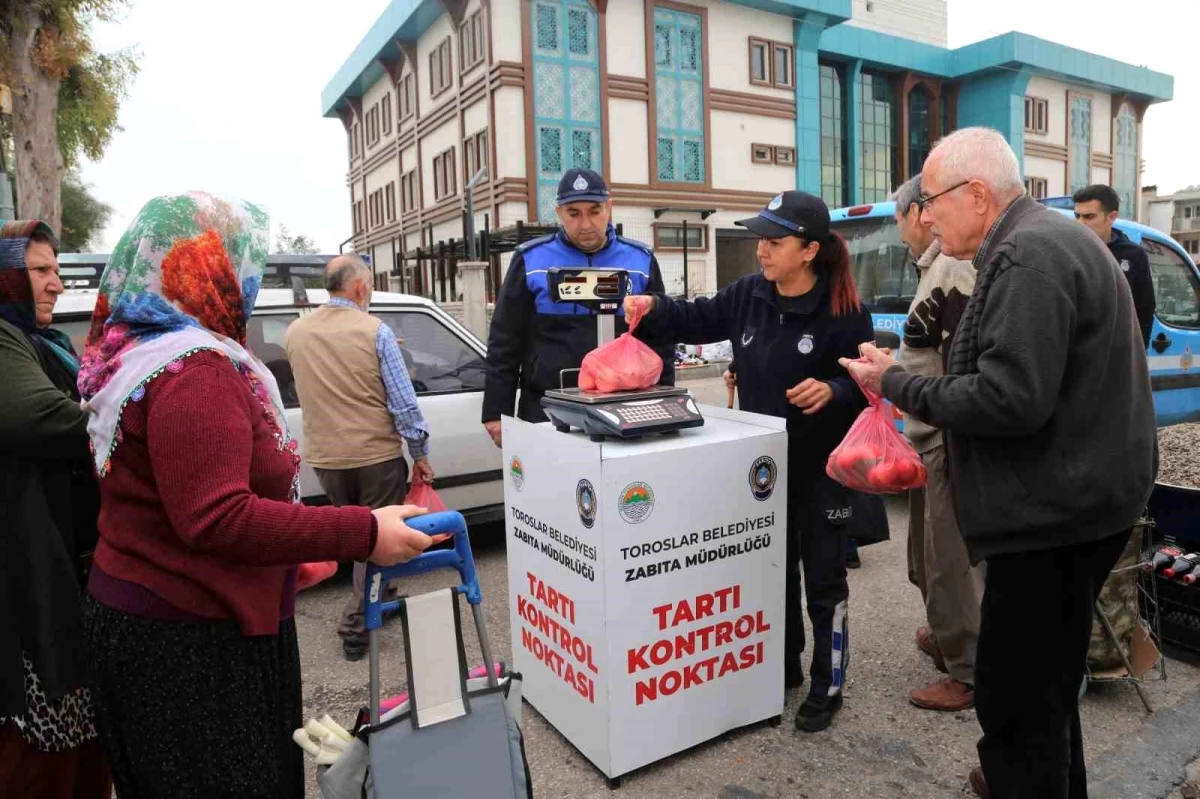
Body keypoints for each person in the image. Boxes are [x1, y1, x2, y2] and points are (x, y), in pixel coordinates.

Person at [78, 192, 441, 799]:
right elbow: (217, 517)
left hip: (162, 620)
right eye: (243, 260)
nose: (248, 278)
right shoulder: (193, 370)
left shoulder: (140, 351)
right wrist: (365, 533)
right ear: (209, 268)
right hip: (189, 644)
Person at [843, 128, 1156, 798]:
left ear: (977, 194)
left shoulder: (1027, 256)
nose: (923, 216)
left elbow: (1009, 398)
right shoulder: (1036, 242)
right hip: (1077, 503)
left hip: (1054, 520)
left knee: (1015, 703)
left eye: (930, 201)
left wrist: (896, 383)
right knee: (1046, 692)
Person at [626, 190, 874, 733]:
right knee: (770, 573)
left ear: (809, 250)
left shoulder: (845, 312)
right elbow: (693, 318)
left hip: (821, 470)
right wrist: (651, 307)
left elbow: (868, 385)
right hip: (762, 472)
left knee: (825, 582)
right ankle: (780, 666)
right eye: (760, 238)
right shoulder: (748, 295)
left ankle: (827, 684)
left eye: (774, 241)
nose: (761, 250)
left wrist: (835, 390)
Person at [0, 220, 111, 797]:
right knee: (40, 752)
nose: (55, 285)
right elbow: (40, 417)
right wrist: (127, 412)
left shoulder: (44, 343)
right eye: (39, 271)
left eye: (54, 271)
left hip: (66, 559)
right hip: (25, 574)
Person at [286, 255, 434, 661]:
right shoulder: (376, 332)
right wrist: (419, 453)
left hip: (327, 460)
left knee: (357, 533)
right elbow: (404, 404)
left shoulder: (297, 331)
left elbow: (326, 378)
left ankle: (379, 601)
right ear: (360, 288)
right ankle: (355, 626)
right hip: (375, 456)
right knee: (374, 540)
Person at [481, 168, 673, 445]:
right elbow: (504, 340)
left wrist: (665, 401)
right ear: (559, 213)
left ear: (609, 208)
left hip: (624, 408)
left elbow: (660, 337)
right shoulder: (531, 261)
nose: (585, 224)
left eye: (594, 211)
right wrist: (496, 411)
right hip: (545, 408)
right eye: (574, 213)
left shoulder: (640, 262)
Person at [889, 174, 984, 713]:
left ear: (918, 213)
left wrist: (894, 377)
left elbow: (953, 360)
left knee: (949, 559)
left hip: (946, 434)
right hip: (929, 432)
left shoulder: (953, 267)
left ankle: (968, 668)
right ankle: (950, 637)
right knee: (927, 556)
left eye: (902, 219)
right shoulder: (934, 267)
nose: (906, 230)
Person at [1073, 184, 1156, 349]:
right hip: (1074, 355)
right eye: (1077, 216)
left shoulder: (1133, 255)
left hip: (1116, 356)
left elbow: (1144, 308)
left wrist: (1137, 354)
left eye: (1089, 217)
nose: (1080, 223)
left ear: (1111, 216)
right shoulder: (1067, 249)